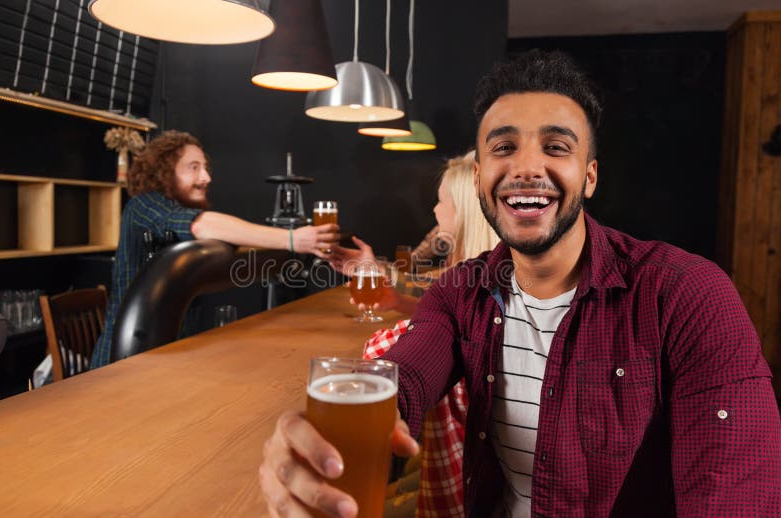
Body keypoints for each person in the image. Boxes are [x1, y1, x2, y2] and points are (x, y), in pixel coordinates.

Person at [259, 50, 781, 517]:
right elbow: (406, 378)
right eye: (504, 147)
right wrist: (327, 437)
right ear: (481, 172)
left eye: (556, 147)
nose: (527, 167)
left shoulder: (688, 294)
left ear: (590, 176)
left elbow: (733, 491)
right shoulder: (460, 290)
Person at [331, 150, 499, 517]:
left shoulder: (476, 290)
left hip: (467, 488)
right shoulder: (485, 282)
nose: (436, 212)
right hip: (459, 465)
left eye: (442, 203)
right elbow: (437, 300)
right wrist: (396, 295)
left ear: (466, 212)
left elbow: (386, 350)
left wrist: (387, 284)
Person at [90, 130, 339, 368]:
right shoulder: (143, 205)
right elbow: (200, 226)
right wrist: (293, 239)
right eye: (194, 168)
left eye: (205, 168)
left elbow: (220, 230)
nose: (206, 178)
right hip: (120, 362)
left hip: (167, 356)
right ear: (164, 172)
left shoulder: (184, 212)